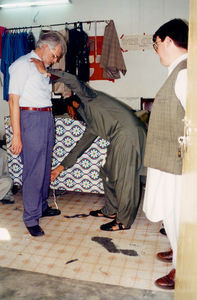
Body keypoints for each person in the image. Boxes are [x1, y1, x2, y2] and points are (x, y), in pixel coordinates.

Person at [31, 58, 147, 232]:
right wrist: (59, 168)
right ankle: (110, 210)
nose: (71, 116)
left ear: (74, 104)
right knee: (106, 171)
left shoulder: (89, 98)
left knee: (125, 179)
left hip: (128, 134)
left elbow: (73, 80)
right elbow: (79, 147)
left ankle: (123, 221)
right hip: (121, 136)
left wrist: (47, 72)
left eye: (70, 112)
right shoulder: (92, 123)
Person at [143, 19, 188, 289]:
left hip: (176, 160)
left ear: (169, 41)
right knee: (170, 212)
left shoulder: (184, 73)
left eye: (156, 44)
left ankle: (181, 268)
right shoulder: (179, 70)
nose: (156, 50)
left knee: (175, 212)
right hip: (168, 157)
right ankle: (178, 250)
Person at [8, 31, 66, 237]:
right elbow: (13, 101)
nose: (56, 59)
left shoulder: (41, 67)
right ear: (44, 47)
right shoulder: (22, 65)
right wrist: (16, 135)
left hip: (45, 118)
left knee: (44, 166)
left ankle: (41, 206)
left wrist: (46, 71)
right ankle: (31, 218)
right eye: (55, 55)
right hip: (30, 119)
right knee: (33, 170)